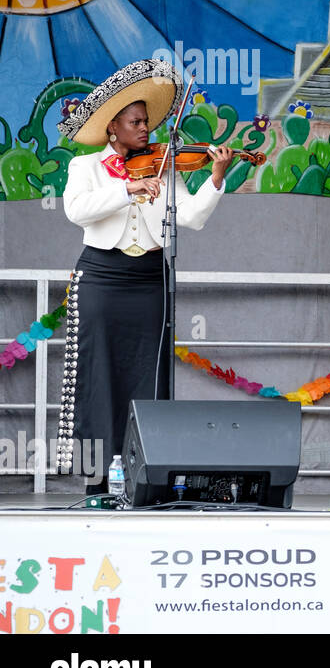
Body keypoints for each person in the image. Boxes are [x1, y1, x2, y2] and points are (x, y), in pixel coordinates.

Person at [55, 60, 232, 492]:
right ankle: (96, 480)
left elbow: (189, 218)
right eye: (135, 123)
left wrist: (215, 178)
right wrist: (126, 189)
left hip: (150, 278)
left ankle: (148, 475)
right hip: (102, 278)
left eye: (147, 122)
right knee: (99, 377)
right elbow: (76, 211)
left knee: (148, 375)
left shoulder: (163, 164)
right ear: (112, 127)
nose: (145, 130)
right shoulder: (87, 167)